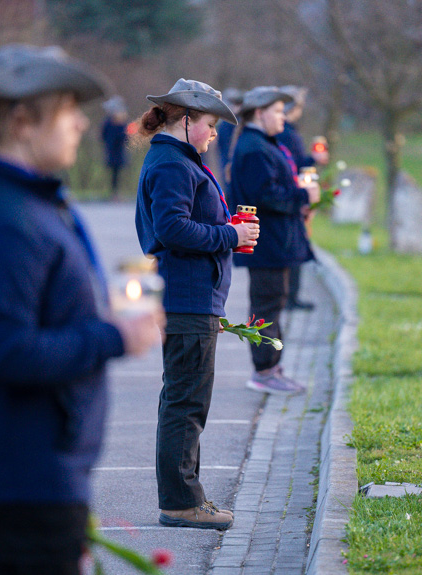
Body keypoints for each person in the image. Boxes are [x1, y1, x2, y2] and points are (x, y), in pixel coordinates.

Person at [0, 44, 164, 575]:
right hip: (20, 471)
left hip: (33, 464)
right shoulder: (7, 220)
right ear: (22, 121)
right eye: (69, 109)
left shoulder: (26, 199)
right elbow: (2, 351)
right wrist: (115, 338)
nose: (82, 122)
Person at [133, 78, 259, 530]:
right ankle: (181, 502)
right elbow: (171, 229)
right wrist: (231, 234)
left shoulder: (177, 160)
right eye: (209, 124)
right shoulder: (171, 164)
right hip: (187, 300)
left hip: (193, 298)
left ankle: (188, 496)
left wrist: (226, 229)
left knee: (185, 401)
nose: (213, 134)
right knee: (186, 404)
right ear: (186, 120)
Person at [228, 86, 320, 395]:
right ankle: (264, 370)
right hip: (266, 243)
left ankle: (271, 367)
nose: (283, 117)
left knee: (272, 304)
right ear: (259, 113)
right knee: (266, 306)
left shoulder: (262, 143)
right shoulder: (254, 148)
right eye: (278, 111)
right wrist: (303, 195)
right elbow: (265, 195)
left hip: (274, 242)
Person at [277, 85, 329, 311]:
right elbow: (293, 165)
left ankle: (290, 296)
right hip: (292, 195)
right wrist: (313, 159)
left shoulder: (286, 131)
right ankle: (290, 297)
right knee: (295, 245)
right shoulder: (287, 132)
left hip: (293, 193)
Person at [101, 96, 129, 199]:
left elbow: (125, 138)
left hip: (117, 152)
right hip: (113, 152)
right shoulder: (110, 123)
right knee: (114, 174)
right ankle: (114, 193)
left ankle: (115, 193)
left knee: (116, 174)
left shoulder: (118, 123)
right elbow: (105, 136)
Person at [215, 88, 243, 179]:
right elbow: (224, 145)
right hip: (227, 159)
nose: (237, 107)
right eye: (235, 104)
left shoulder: (238, 120)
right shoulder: (226, 123)